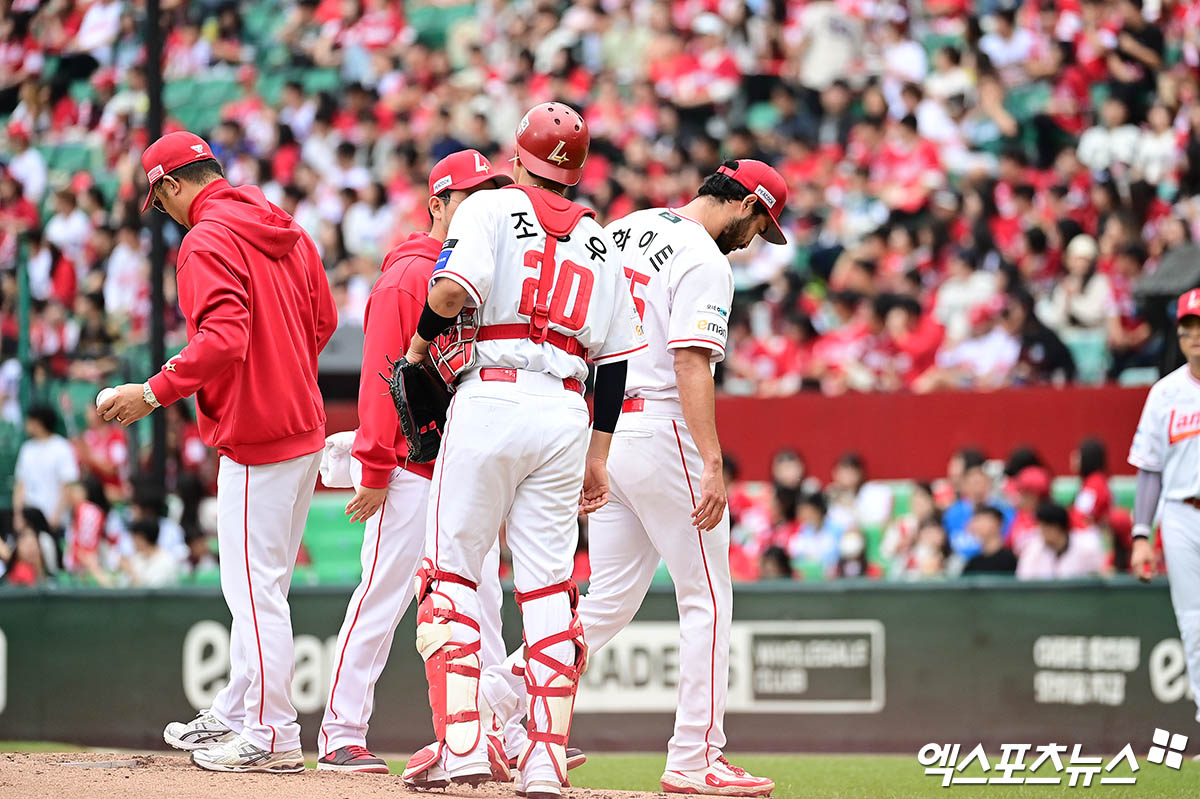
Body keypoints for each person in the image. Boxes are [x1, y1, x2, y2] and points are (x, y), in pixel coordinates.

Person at [483, 158, 787, 797]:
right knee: (707, 597)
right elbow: (691, 363)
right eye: (761, 224)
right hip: (660, 428)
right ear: (745, 205)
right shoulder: (706, 258)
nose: (755, 238)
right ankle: (695, 757)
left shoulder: (625, 227)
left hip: (604, 429)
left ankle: (496, 706)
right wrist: (711, 459)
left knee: (607, 601)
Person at [398, 103, 645, 799]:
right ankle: (545, 761)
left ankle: (465, 745)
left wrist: (419, 342)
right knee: (547, 591)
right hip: (567, 408)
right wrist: (599, 456)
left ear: (516, 161)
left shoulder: (491, 209)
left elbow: (450, 290)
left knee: (449, 575)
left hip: (491, 395)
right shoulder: (600, 237)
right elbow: (617, 363)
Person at [100, 131, 337, 774]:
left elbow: (224, 338)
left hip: (260, 438)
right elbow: (325, 321)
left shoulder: (205, 238)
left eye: (161, 199)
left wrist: (152, 392)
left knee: (253, 591)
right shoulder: (280, 221)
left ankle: (271, 731)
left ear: (172, 185)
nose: (165, 213)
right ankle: (239, 709)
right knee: (266, 588)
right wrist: (283, 371)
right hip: (302, 429)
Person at [315, 150, 513, 774]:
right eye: (467, 197)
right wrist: (373, 468)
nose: (479, 207)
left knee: (482, 604)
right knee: (382, 597)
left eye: (489, 197)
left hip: (464, 469)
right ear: (437, 203)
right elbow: (382, 377)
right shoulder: (409, 276)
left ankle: (501, 729)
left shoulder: (478, 270)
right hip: (407, 470)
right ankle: (340, 732)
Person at [1127, 287, 1200, 727]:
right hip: (1179, 514)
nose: (1196, 336)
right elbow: (1148, 469)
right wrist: (1140, 535)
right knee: (1194, 626)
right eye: (1189, 327)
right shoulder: (1164, 394)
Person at [14, 404, 79, 532]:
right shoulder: (27, 449)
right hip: (30, 523)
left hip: (55, 522)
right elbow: (20, 485)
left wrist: (56, 517)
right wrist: (18, 516)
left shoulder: (61, 447)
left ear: (38, 423)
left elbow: (67, 486)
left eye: (29, 420)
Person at [1016, 501, 1106, 580]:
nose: (1041, 531)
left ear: (1058, 527)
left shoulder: (1086, 548)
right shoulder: (1032, 551)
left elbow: (1101, 578)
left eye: (1045, 527)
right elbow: (1024, 583)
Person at [962, 505, 1018, 574]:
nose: (977, 525)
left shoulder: (1009, 559)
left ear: (998, 524)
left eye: (982, 520)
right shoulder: (974, 562)